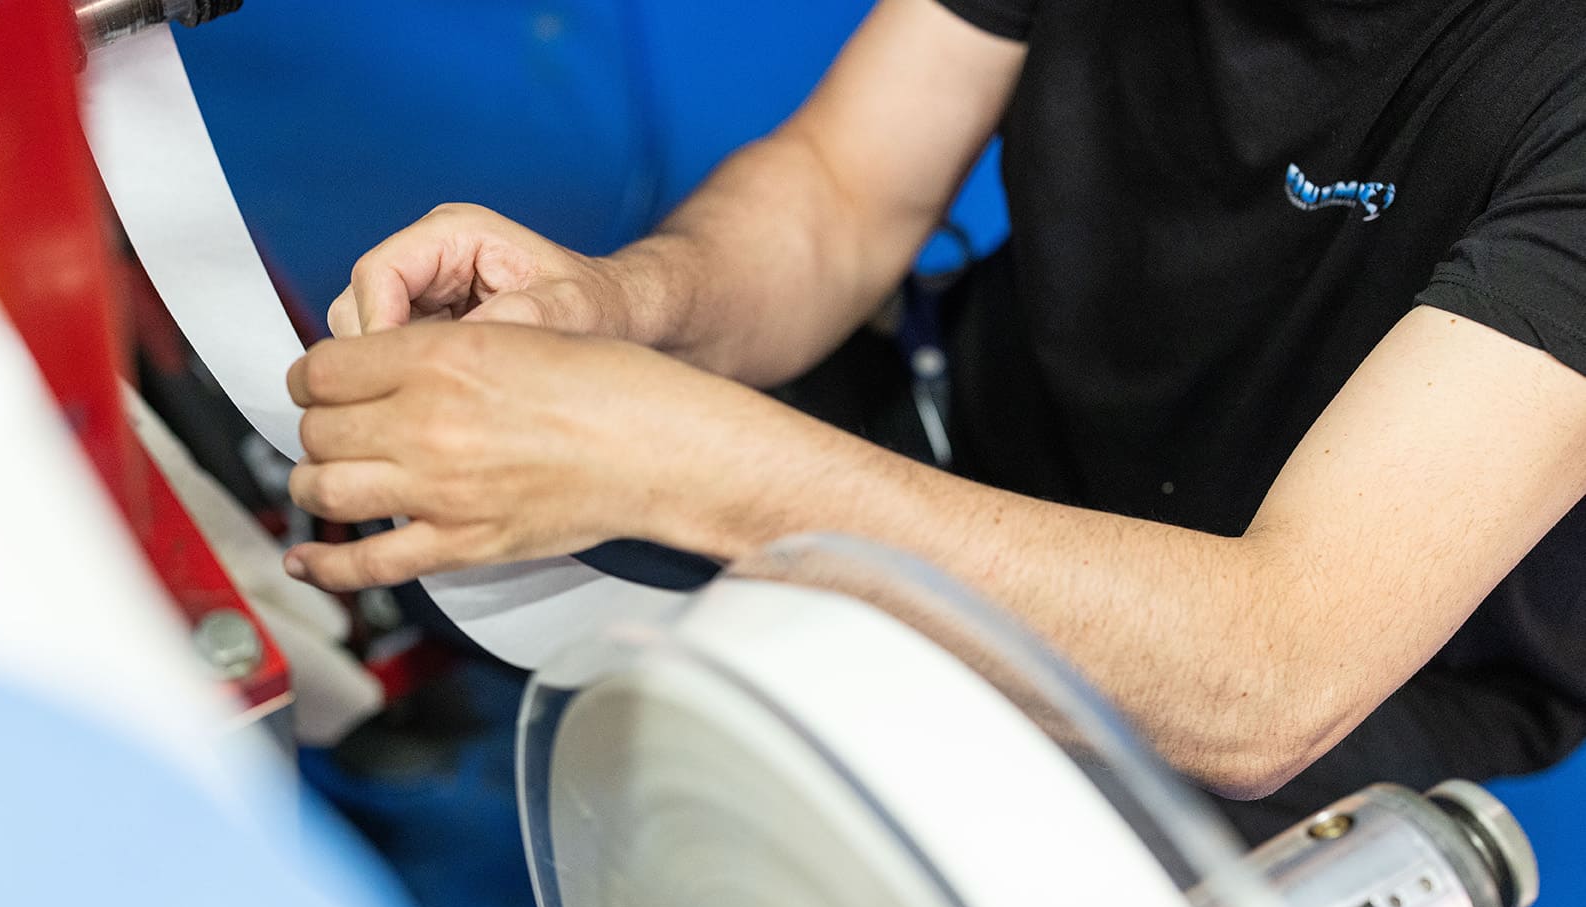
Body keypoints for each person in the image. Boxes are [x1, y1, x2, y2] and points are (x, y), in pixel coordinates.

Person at [277, 0, 1586, 841]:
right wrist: (616, 305)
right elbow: (844, 192)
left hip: (1311, 667)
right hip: (989, 415)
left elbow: (1264, 673)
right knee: (453, 508)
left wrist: (678, 461)